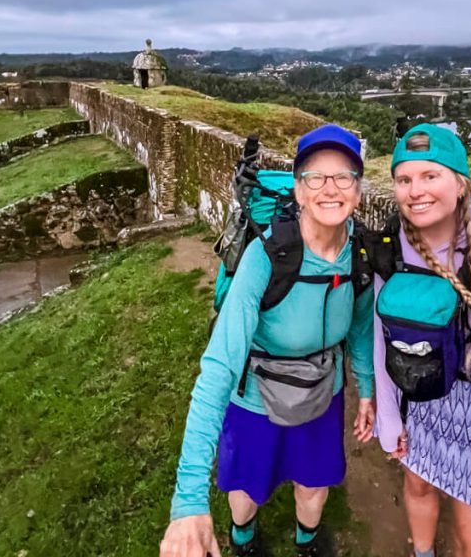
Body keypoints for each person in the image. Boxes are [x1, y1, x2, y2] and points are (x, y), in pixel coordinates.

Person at [160, 124, 375, 557]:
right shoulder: (265, 256)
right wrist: (187, 500)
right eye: (315, 176)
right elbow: (220, 367)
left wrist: (366, 390)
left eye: (343, 176)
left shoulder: (363, 252)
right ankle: (244, 538)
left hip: (322, 390)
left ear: (358, 189)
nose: (329, 188)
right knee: (245, 484)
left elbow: (359, 326)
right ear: (298, 190)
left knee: (314, 480)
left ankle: (308, 541)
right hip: (255, 393)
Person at [372, 124, 471, 557]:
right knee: (417, 485)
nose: (415, 191)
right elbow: (380, 339)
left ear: (460, 184)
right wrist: (388, 418)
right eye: (404, 179)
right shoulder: (390, 249)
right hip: (415, 398)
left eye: (429, 176)